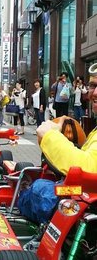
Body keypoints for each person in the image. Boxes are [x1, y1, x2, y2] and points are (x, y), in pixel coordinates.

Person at [18, 63, 97, 224]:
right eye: (93, 85)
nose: (95, 93)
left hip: (86, 199)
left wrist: (49, 135)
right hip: (86, 195)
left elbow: (89, 168)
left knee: (41, 187)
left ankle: (23, 193)